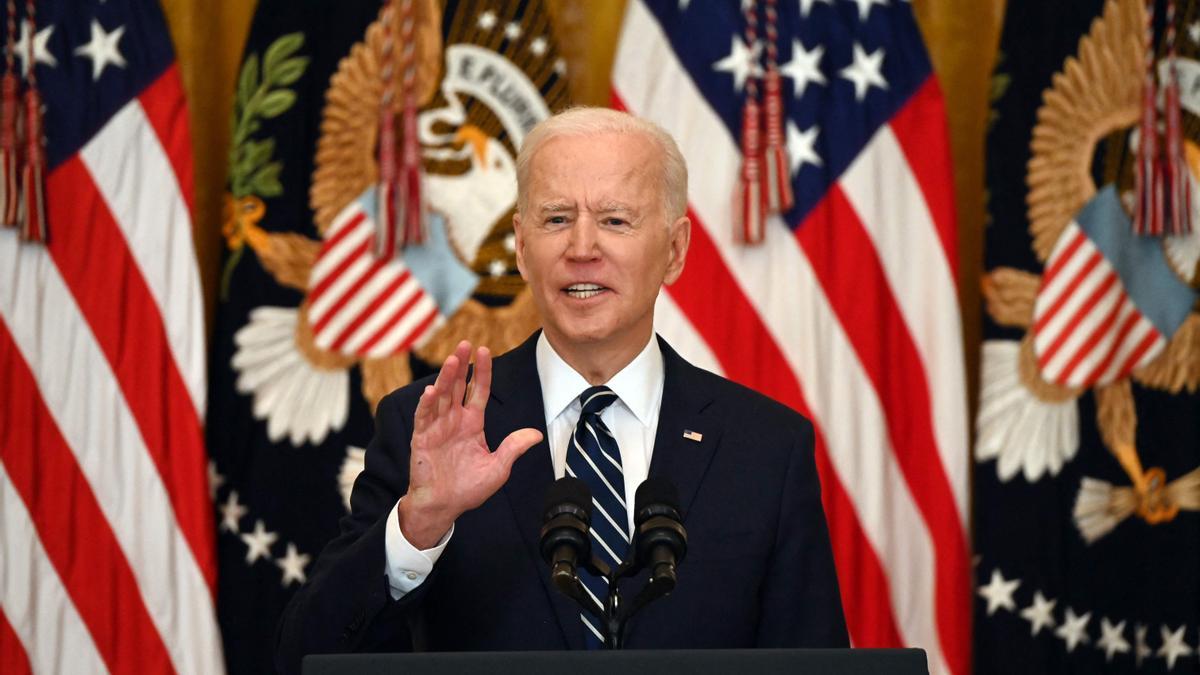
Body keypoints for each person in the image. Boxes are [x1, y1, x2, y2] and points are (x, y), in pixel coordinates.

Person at [275, 107, 848, 673]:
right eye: (555, 219)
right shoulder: (426, 424)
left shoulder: (766, 449)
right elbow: (308, 655)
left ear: (674, 251)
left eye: (616, 220)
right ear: (522, 248)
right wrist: (419, 526)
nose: (581, 247)